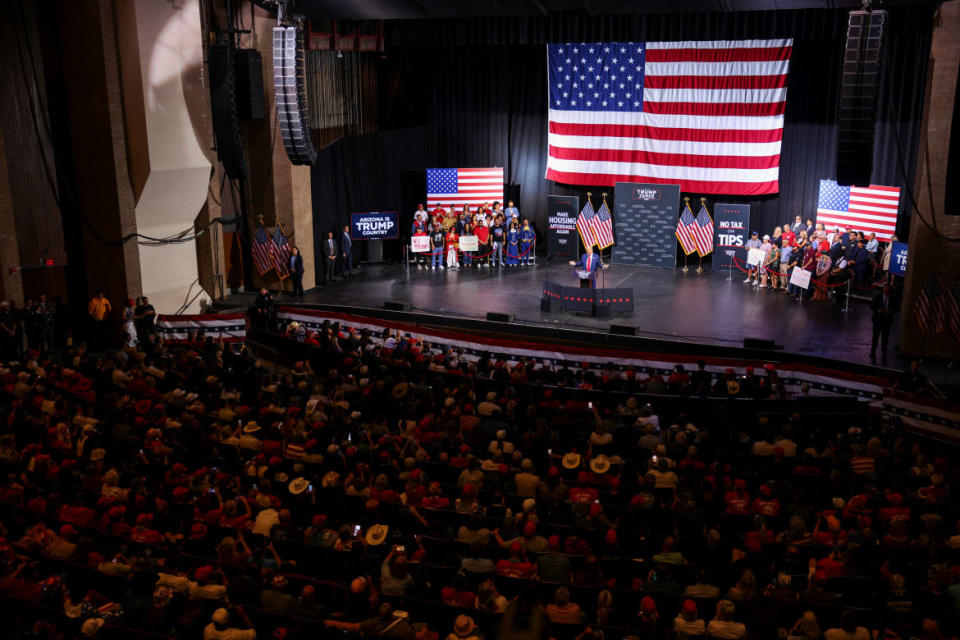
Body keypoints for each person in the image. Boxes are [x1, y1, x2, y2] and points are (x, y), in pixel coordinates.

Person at [870, 284, 898, 360]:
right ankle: (873, 352)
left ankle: (884, 352)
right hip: (877, 320)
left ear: (889, 290)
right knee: (875, 337)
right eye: (885, 289)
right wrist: (877, 310)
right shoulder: (878, 297)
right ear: (883, 289)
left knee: (885, 338)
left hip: (887, 321)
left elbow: (896, 308)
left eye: (888, 289)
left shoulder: (893, 298)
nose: (886, 291)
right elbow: (872, 305)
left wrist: (891, 311)